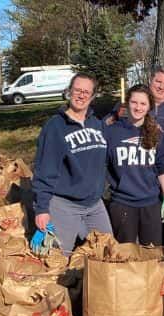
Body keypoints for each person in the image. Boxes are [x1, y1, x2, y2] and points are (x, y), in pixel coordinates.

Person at [31, 73, 111, 253]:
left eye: (86, 92)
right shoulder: (55, 127)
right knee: (58, 259)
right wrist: (42, 209)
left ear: (92, 96)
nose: (81, 95)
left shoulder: (96, 124)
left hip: (94, 204)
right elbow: (44, 170)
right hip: (64, 205)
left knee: (107, 252)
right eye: (77, 90)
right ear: (69, 91)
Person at [104, 84, 164, 246]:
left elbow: (161, 169)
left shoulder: (157, 134)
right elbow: (102, 165)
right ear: (127, 103)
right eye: (134, 102)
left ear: (149, 107)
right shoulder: (111, 132)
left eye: (143, 104)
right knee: (124, 255)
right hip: (122, 204)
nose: (138, 107)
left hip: (150, 203)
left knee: (151, 255)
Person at [106, 66, 164, 138]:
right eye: (158, 82)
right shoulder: (129, 103)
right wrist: (114, 118)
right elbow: (105, 125)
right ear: (150, 80)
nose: (161, 87)